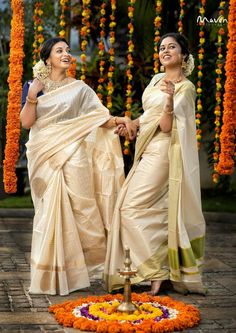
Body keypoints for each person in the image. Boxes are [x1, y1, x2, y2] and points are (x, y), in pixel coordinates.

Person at [20, 37, 136, 295]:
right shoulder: (34, 86)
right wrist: (31, 96)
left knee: (84, 208)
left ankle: (91, 265)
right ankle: (55, 272)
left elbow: (98, 117)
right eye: (59, 51)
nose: (66, 54)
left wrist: (120, 119)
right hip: (45, 156)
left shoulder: (80, 88)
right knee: (49, 210)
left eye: (67, 50)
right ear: (47, 58)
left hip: (75, 156)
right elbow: (27, 123)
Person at [104, 32, 206, 295]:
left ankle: (156, 271)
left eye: (172, 47)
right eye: (162, 47)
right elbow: (148, 116)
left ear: (184, 56)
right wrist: (131, 125)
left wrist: (170, 100)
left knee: (130, 207)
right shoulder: (155, 80)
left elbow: (165, 125)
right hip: (146, 149)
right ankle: (159, 271)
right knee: (150, 208)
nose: (165, 51)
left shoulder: (186, 88)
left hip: (164, 151)